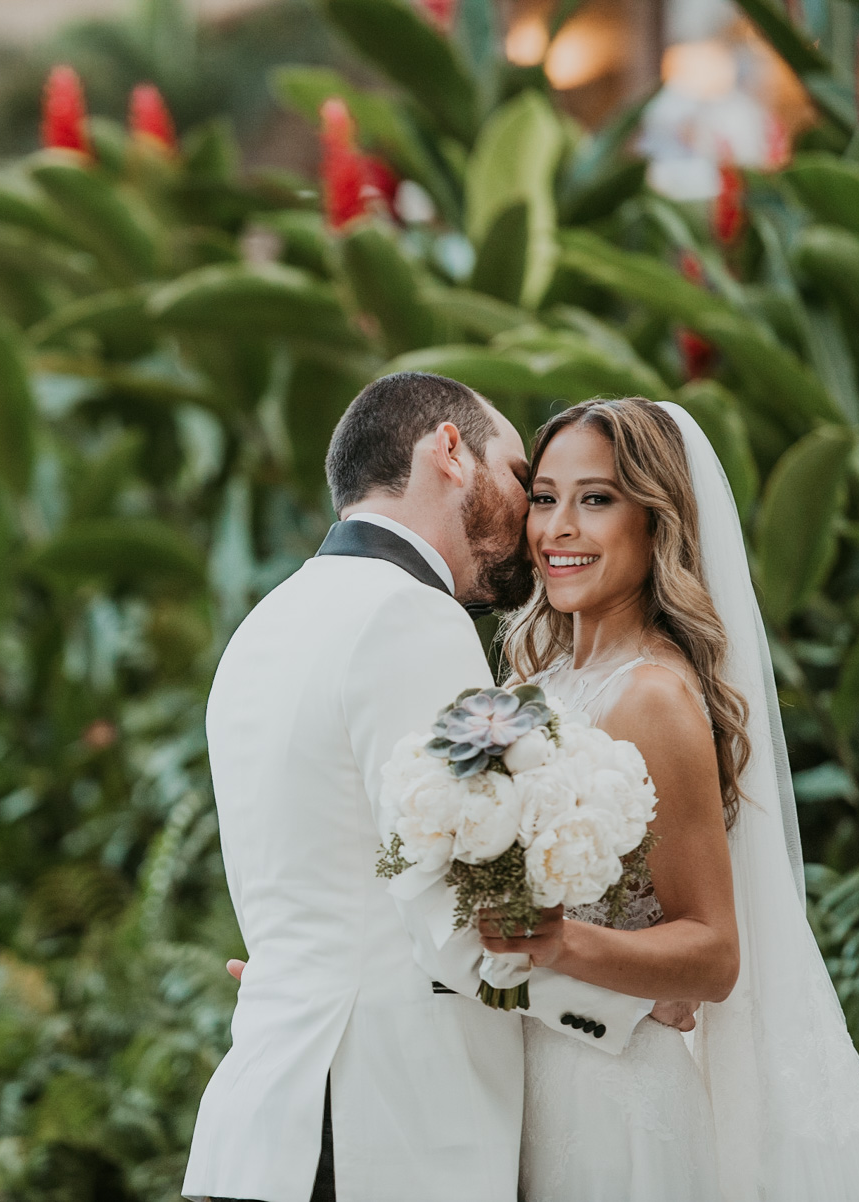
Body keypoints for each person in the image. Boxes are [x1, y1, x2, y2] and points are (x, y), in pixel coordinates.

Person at [181, 373, 669, 1202]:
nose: (535, 517)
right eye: (523, 479)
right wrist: (630, 1003)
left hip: (259, 1130)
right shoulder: (411, 616)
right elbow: (458, 917)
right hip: (377, 1136)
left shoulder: (265, 623)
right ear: (449, 451)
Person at [489, 398, 859, 1201]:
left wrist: (558, 943)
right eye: (544, 498)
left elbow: (713, 956)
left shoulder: (652, 696)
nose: (559, 529)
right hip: (519, 1082)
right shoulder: (531, 689)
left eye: (597, 499)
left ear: (656, 522)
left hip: (611, 1102)